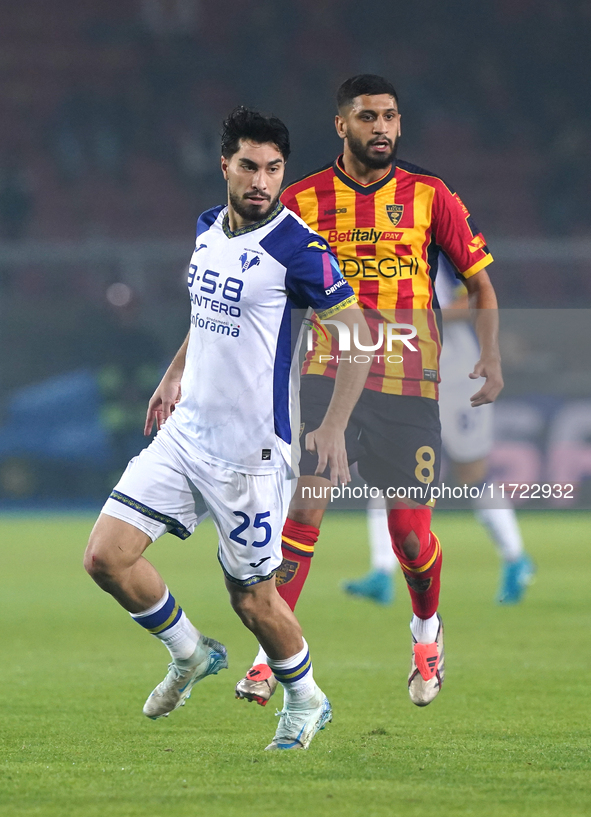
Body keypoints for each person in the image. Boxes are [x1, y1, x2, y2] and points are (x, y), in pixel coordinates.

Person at [84, 107, 372, 751]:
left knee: (253, 601)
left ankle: (306, 697)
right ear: (225, 166)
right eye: (249, 165)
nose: (262, 180)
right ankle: (189, 653)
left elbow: (359, 338)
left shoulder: (299, 249)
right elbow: (207, 312)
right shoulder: (207, 228)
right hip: (187, 434)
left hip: (251, 453)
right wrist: (173, 373)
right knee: (105, 557)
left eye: (273, 169)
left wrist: (332, 425)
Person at [235, 74, 504, 709]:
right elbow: (257, 286)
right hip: (331, 374)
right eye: (366, 117)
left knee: (411, 537)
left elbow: (480, 283)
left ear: (399, 124)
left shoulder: (430, 194)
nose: (380, 127)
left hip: (411, 382)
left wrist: (490, 354)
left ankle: (426, 634)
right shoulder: (300, 201)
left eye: (389, 117)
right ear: (342, 125)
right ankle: (272, 655)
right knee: (304, 511)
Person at [344, 256, 535, 606]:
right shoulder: (384, 244)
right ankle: (381, 573)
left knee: (471, 473)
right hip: (403, 363)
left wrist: (426, 317)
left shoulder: (442, 250)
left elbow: (474, 297)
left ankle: (516, 558)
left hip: (455, 368)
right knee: (387, 469)